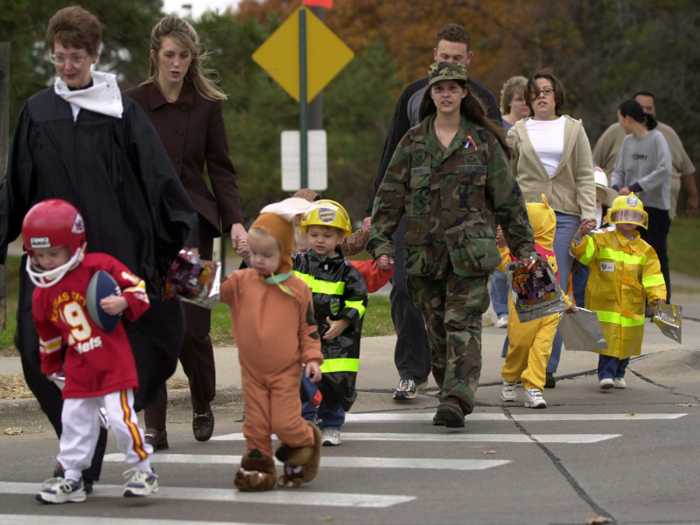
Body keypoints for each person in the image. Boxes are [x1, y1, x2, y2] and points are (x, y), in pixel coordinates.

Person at [0, 6, 197, 493]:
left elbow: (160, 184)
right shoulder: (37, 112)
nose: (67, 67)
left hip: (114, 261)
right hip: (51, 267)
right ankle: (80, 455)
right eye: (60, 57)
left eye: (76, 57)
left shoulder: (120, 112)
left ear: (94, 55)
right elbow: (16, 188)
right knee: (38, 354)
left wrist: (183, 249)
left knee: (131, 357)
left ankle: (92, 465)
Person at [368, 62, 535, 428]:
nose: (445, 94)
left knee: (462, 323)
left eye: (452, 88)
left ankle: (457, 398)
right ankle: (450, 392)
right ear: (431, 94)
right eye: (439, 88)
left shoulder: (484, 142)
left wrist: (525, 248)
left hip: (470, 254)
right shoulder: (412, 142)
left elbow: (509, 200)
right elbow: (389, 197)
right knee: (437, 328)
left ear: (463, 94)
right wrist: (381, 243)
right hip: (424, 255)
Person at [124, 15, 247, 447]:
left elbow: (221, 170)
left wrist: (234, 222)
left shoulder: (206, 105)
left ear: (192, 58)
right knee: (151, 321)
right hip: (146, 231)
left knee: (193, 327)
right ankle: (153, 423)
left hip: (194, 229)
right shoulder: (131, 103)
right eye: (169, 54)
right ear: (155, 54)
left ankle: (201, 400)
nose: (176, 63)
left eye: (184, 55)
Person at [366, 23, 503, 402]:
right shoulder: (414, 96)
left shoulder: (482, 99)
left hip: (465, 219)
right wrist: (374, 214)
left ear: (469, 60)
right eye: (444, 57)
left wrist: (499, 223)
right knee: (405, 288)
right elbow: (392, 153)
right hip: (417, 212)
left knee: (458, 304)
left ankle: (456, 385)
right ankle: (413, 370)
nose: (449, 64)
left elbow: (500, 167)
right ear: (434, 56)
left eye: (457, 59)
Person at [25, 200, 157, 504]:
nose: (46, 262)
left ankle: (143, 470)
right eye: (40, 255)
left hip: (113, 361)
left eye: (53, 253)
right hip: (79, 367)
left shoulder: (99, 265)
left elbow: (138, 289)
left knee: (121, 418)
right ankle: (71, 478)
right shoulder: (42, 293)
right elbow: (49, 337)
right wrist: (49, 367)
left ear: (75, 246)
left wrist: (124, 301)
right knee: (73, 423)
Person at [219, 198, 324, 492]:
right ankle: (259, 467)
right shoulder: (241, 281)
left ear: (285, 252)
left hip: (285, 370)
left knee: (284, 422)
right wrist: (189, 277)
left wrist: (313, 358)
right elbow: (211, 289)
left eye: (266, 254)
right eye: (253, 254)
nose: (258, 260)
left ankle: (305, 439)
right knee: (255, 423)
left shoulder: (297, 289)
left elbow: (309, 329)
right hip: (252, 371)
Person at [507, 69, 597, 388]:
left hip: (567, 216)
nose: (541, 96)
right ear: (529, 99)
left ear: (557, 94)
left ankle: (544, 365)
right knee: (526, 284)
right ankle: (516, 362)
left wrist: (589, 213)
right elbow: (507, 176)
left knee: (553, 288)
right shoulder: (518, 131)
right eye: (535, 92)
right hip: (528, 215)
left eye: (546, 91)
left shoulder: (573, 129)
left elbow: (585, 174)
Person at [293, 200, 369, 446]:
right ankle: (304, 422)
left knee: (334, 383)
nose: (320, 240)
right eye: (314, 234)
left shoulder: (347, 272)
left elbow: (359, 300)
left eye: (327, 235)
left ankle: (332, 425)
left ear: (340, 236)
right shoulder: (298, 263)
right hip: (303, 338)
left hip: (336, 341)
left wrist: (345, 321)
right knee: (302, 382)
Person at [571, 193, 666, 389]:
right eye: (624, 214)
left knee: (628, 339)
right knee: (609, 340)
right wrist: (580, 236)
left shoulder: (645, 249)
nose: (629, 220)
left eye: (635, 216)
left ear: (642, 220)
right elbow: (585, 255)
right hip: (606, 303)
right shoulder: (601, 239)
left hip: (632, 305)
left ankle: (620, 373)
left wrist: (657, 297)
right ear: (613, 217)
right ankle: (606, 375)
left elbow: (653, 275)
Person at [498, 196, 575, 409]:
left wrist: (566, 302)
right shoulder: (520, 250)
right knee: (520, 346)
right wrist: (503, 248)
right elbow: (503, 264)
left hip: (549, 311)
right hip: (523, 309)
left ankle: (533, 388)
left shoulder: (550, 252)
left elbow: (555, 282)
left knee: (541, 350)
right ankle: (510, 378)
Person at [593, 91, 698, 219]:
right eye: (641, 108)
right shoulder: (617, 134)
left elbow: (683, 169)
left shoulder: (664, 135)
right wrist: (613, 190)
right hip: (624, 207)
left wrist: (693, 195)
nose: (645, 111)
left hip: (656, 207)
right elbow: (597, 165)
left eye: (649, 108)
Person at [610, 99, 672, 304]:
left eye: (620, 118)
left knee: (656, 255)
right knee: (632, 256)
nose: (620, 123)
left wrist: (636, 187)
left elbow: (664, 170)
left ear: (628, 118)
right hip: (632, 210)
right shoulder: (628, 142)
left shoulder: (657, 139)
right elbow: (618, 170)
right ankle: (638, 302)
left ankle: (662, 303)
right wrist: (616, 188)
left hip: (654, 208)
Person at [491, 76, 531, 329]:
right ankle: (501, 309)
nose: (524, 103)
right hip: (502, 195)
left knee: (523, 253)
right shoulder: (499, 127)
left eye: (528, 98)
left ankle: (523, 304)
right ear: (509, 101)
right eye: (519, 99)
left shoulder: (535, 127)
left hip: (529, 198)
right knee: (500, 255)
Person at [570, 169, 618, 307]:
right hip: (582, 257)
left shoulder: (608, 214)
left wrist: (605, 230)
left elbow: (615, 228)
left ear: (604, 199)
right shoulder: (576, 211)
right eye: (589, 199)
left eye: (596, 200)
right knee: (580, 285)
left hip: (601, 256)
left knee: (602, 286)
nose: (592, 204)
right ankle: (581, 309)